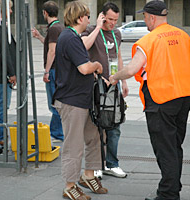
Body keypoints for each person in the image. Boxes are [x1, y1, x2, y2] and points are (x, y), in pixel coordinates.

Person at [109, 1, 190, 200]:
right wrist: (178, 82)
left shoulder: (149, 41)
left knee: (164, 148)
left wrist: (115, 77)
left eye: (145, 17)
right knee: (175, 145)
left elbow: (132, 70)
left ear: (152, 17)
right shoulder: (182, 35)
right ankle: (172, 187)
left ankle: (168, 194)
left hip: (161, 99)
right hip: (185, 96)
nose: (144, 20)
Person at [52, 1, 108, 199]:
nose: (89, 19)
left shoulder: (72, 37)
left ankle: (88, 175)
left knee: (94, 138)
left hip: (83, 99)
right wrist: (96, 65)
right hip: (72, 101)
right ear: (79, 18)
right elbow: (84, 68)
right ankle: (70, 185)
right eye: (87, 16)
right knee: (73, 145)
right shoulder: (69, 37)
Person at [82, 2, 129, 179]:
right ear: (102, 16)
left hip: (113, 84)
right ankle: (96, 165)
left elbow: (118, 56)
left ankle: (112, 163)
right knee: (97, 126)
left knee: (114, 124)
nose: (112, 23)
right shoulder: (92, 30)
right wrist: (98, 26)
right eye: (109, 19)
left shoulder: (116, 33)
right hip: (97, 86)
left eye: (115, 20)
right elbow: (84, 47)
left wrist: (123, 80)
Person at [32, 1, 64, 142]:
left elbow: (52, 51)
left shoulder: (53, 29)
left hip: (54, 71)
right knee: (58, 102)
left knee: (54, 104)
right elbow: (51, 45)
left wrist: (46, 71)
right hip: (60, 70)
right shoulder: (59, 27)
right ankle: (59, 132)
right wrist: (39, 37)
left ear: (45, 12)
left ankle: (57, 134)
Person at [0, 0, 16, 151]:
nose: (11, 12)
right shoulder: (1, 27)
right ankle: (0, 138)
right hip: (1, 76)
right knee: (1, 106)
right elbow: (5, 53)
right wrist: (12, 73)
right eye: (9, 9)